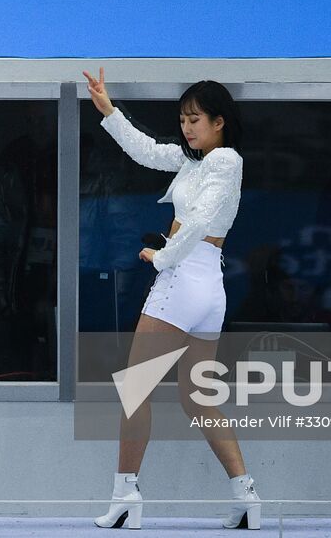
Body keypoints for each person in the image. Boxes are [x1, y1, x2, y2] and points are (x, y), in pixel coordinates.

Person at [83, 68, 260, 531]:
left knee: (135, 388)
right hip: (208, 287)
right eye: (182, 119)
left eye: (195, 119)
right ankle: (246, 495)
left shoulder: (224, 161)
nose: (186, 128)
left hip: (184, 279)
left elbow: (199, 220)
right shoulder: (194, 161)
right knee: (197, 398)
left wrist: (162, 258)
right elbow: (145, 150)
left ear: (219, 122)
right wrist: (108, 109)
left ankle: (126, 495)